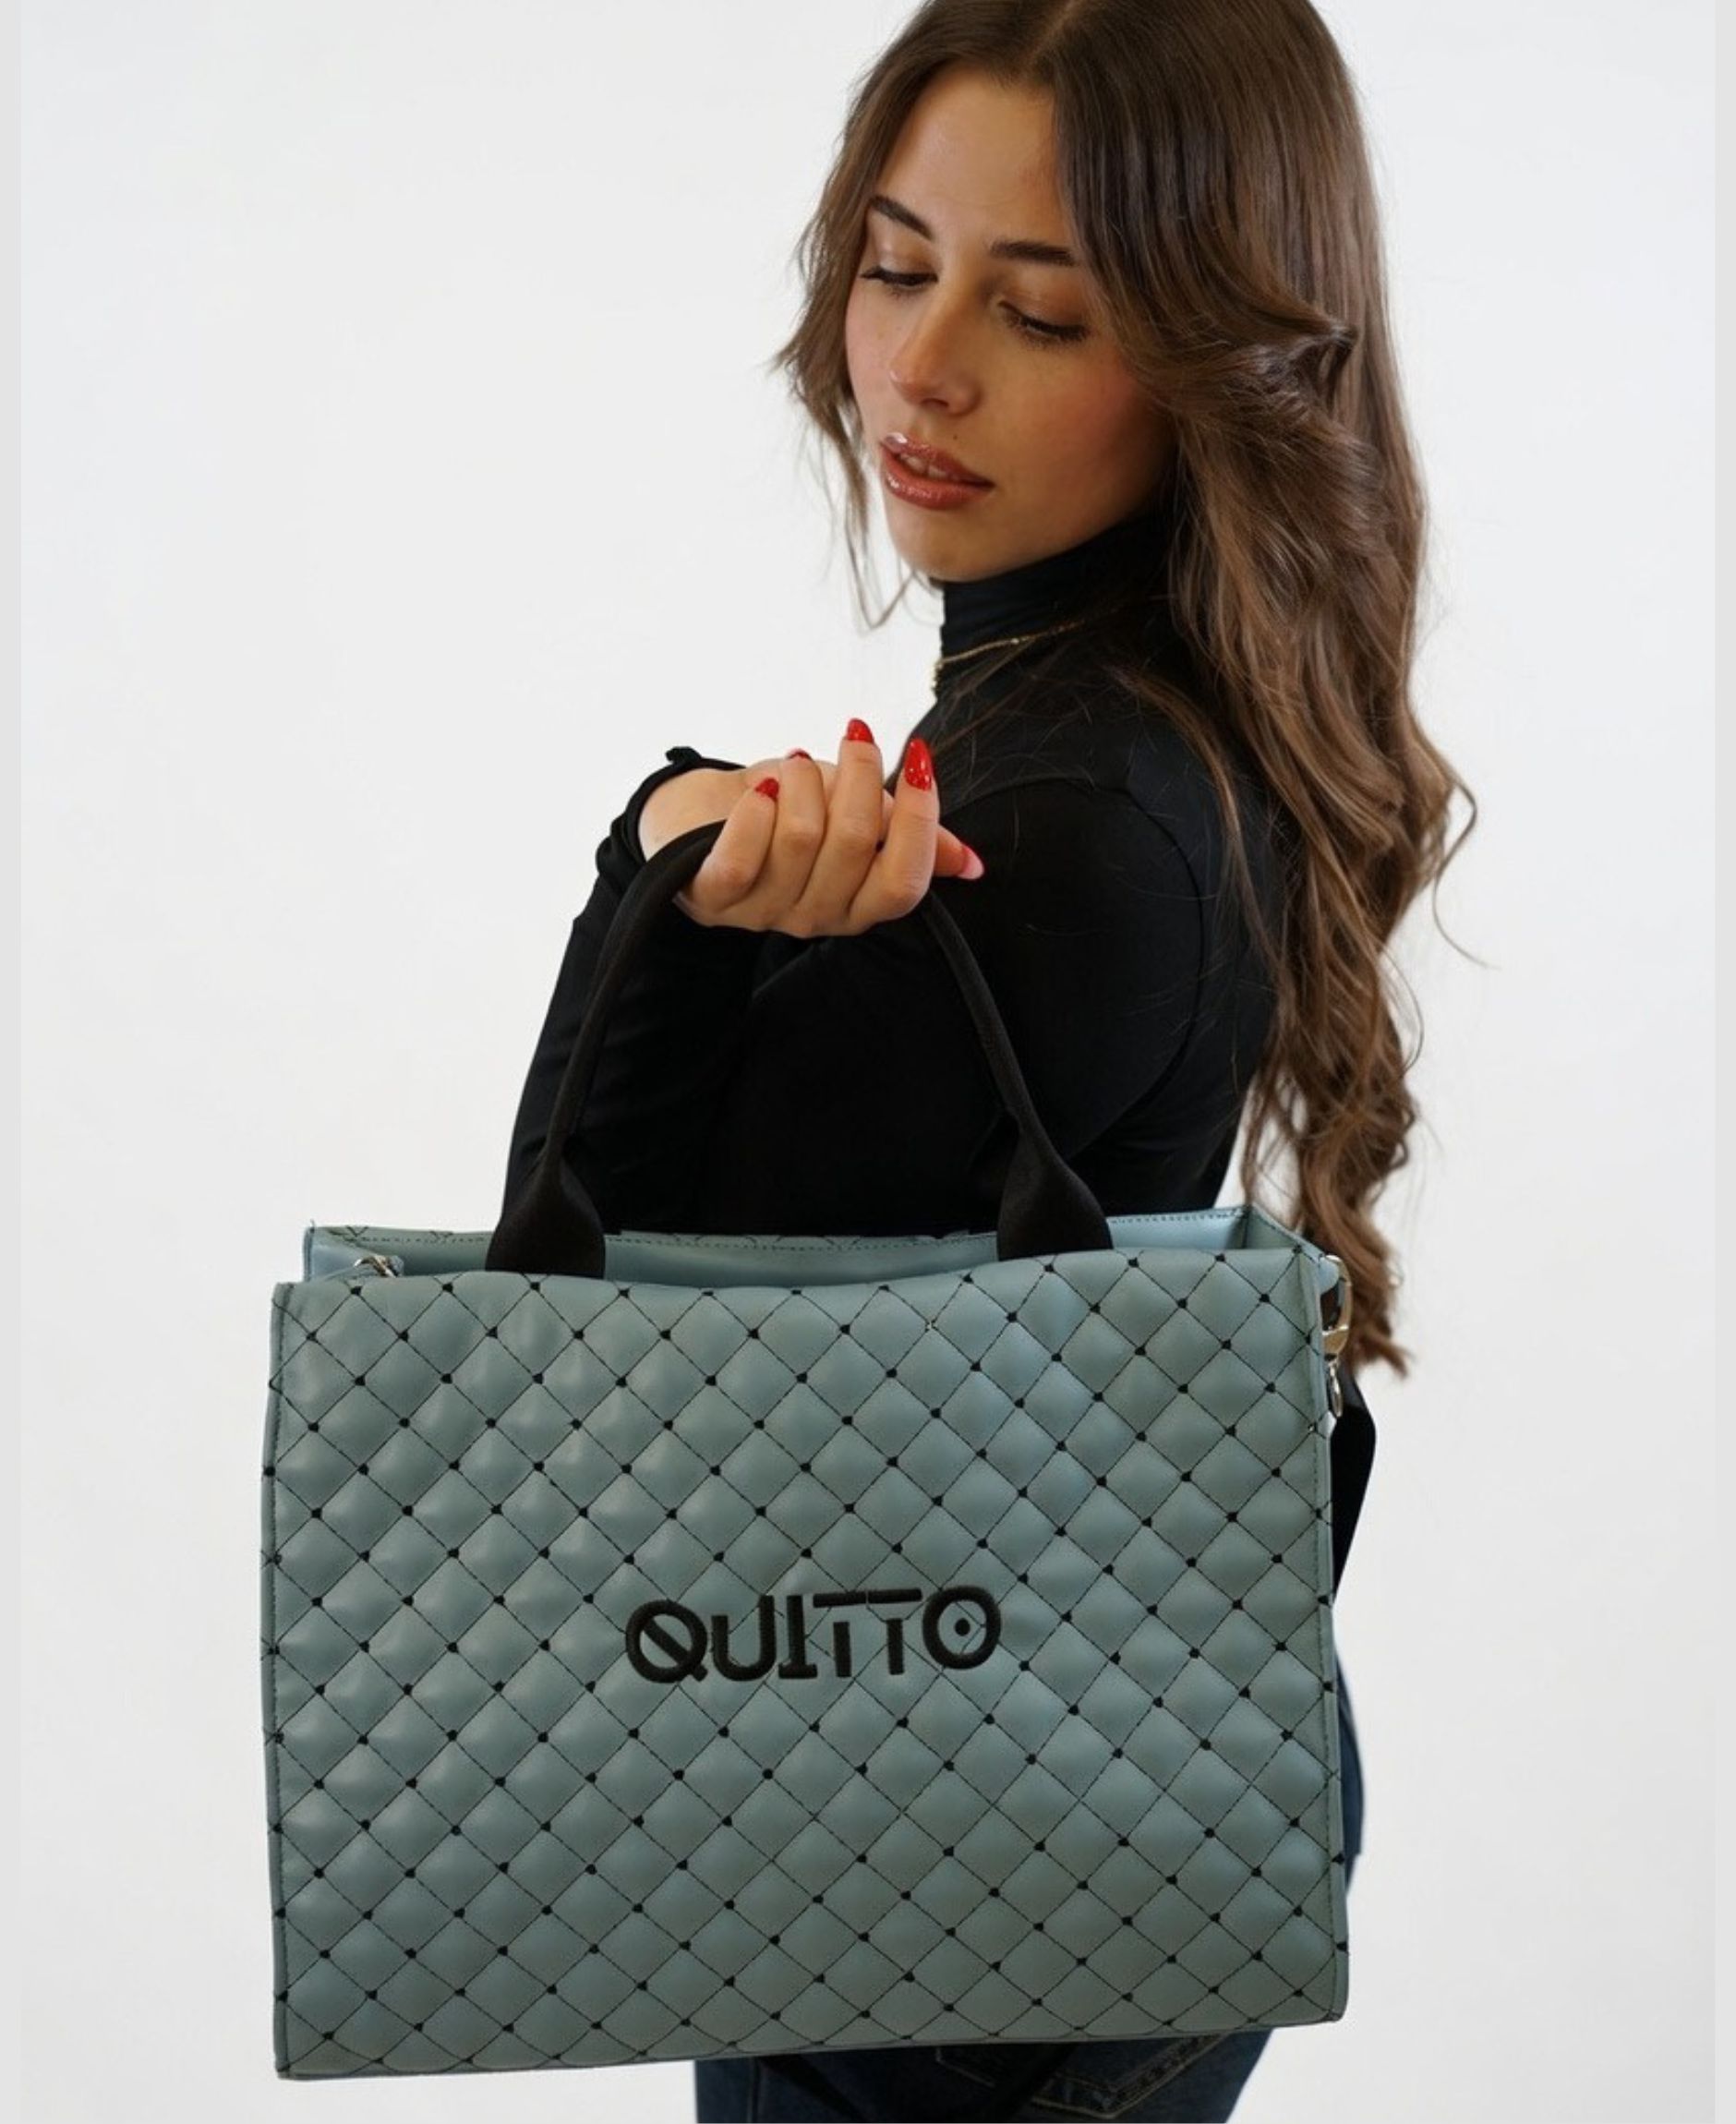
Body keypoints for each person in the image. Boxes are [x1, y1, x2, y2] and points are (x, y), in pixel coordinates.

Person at [500, 3, 1472, 2116]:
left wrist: (653, 858)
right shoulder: (1138, 715)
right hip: (1055, 1796)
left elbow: (593, 1376)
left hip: (954, 1907)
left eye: (1038, 310)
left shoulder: (1064, 823)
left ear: (1220, 357)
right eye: (892, 263)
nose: (920, 368)